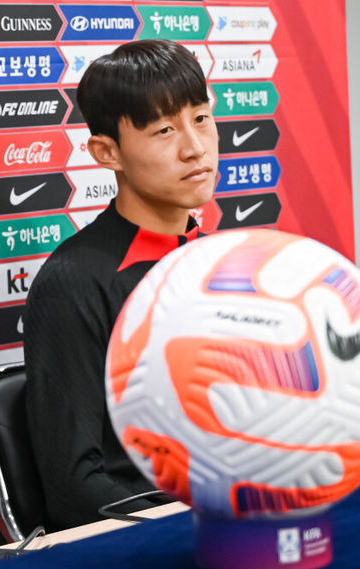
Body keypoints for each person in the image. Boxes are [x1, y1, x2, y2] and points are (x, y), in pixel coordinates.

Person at [23, 40, 219, 530]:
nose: (194, 147)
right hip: (152, 546)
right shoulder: (71, 284)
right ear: (107, 152)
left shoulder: (220, 260)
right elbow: (74, 487)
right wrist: (197, 524)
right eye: (164, 129)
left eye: (201, 118)